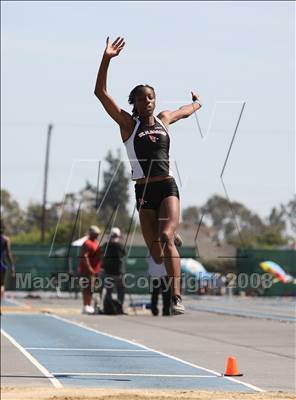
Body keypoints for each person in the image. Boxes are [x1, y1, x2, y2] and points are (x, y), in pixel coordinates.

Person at [94, 36, 202, 314]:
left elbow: (183, 112)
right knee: (156, 253)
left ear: (155, 100)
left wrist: (197, 105)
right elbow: (100, 93)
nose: (148, 101)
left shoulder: (164, 120)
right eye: (142, 98)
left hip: (167, 186)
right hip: (143, 192)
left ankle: (176, 297)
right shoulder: (128, 125)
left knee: (165, 238)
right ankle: (171, 238)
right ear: (136, 103)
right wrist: (106, 58)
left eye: (151, 97)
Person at [101, 227, 126, 313]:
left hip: (108, 272)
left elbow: (102, 254)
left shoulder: (106, 245)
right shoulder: (120, 245)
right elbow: (124, 254)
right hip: (118, 273)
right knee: (120, 291)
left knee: (109, 291)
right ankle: (119, 308)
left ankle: (108, 308)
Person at [78, 225, 102, 314]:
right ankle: (85, 306)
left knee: (91, 288)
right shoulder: (87, 243)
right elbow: (84, 256)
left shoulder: (96, 242)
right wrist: (90, 268)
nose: (97, 235)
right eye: (96, 234)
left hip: (95, 271)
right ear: (91, 234)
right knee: (87, 288)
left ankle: (88, 305)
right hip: (87, 271)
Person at [0, 222, 16, 305]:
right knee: (1, 285)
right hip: (1, 266)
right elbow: (8, 254)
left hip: (2, 265)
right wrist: (12, 266)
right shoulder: (6, 239)